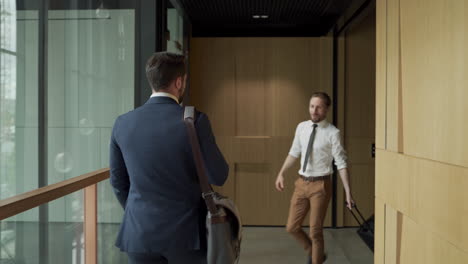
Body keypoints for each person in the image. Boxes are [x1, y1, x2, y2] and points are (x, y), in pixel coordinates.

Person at [109, 52, 229, 264]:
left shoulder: (123, 123)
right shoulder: (195, 120)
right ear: (179, 81)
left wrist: (140, 211)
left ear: (152, 81)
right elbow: (219, 175)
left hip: (139, 234)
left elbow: (118, 182)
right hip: (186, 237)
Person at [275, 92, 354, 264]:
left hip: (321, 186)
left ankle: (315, 259)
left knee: (315, 231)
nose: (314, 110)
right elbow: (293, 152)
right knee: (292, 227)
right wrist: (281, 173)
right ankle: (314, 253)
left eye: (318, 107)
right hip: (301, 183)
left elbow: (341, 163)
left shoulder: (333, 133)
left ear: (326, 109)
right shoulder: (301, 127)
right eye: (312, 106)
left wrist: (348, 193)